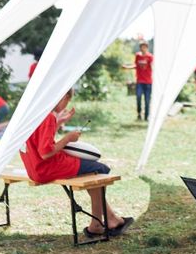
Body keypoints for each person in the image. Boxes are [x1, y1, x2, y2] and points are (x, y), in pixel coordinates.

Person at [21, 88, 134, 237]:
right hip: (47, 168)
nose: (66, 105)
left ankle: (110, 219)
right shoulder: (48, 117)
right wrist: (68, 138)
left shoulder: (33, 112)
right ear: (63, 97)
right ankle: (97, 224)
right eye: (67, 101)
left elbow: (38, 137)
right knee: (100, 170)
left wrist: (59, 121)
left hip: (34, 168)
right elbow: (46, 152)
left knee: (93, 171)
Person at [122, 42, 153, 120]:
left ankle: (146, 116)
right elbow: (136, 65)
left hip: (148, 82)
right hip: (140, 81)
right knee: (138, 97)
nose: (143, 48)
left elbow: (153, 66)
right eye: (142, 47)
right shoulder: (138, 56)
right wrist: (127, 67)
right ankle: (139, 114)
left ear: (147, 48)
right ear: (140, 48)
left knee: (147, 100)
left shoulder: (150, 57)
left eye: (145, 47)